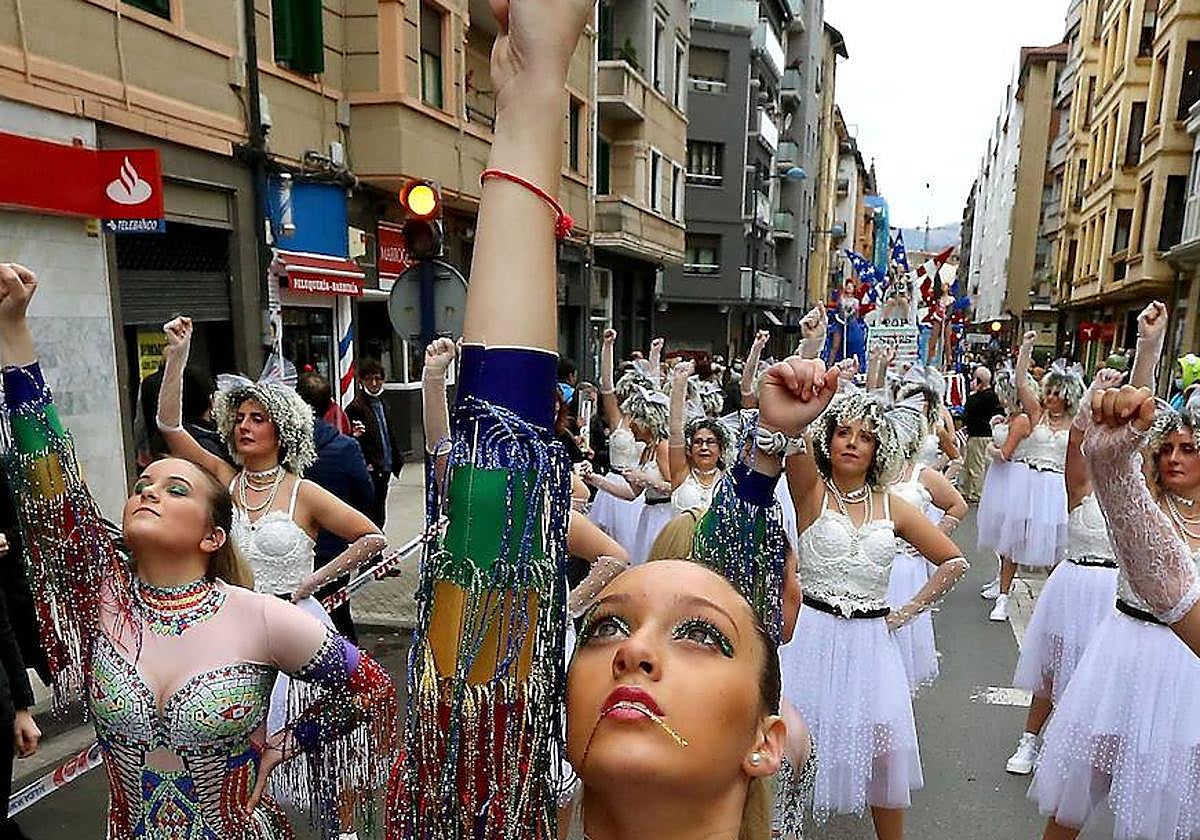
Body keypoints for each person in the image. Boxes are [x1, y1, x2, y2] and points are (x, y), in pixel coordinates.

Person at [0, 262, 396, 839]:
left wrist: (289, 742)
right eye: (143, 485)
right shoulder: (103, 598)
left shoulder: (261, 617)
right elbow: (49, 483)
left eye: (175, 489)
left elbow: (373, 691)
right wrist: (14, 332)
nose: (148, 491)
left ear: (214, 535)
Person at [1031, 305, 1200, 840]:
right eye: (1167, 448)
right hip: (1125, 654)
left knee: (1168, 803)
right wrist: (1148, 349)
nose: (1174, 457)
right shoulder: (1145, 504)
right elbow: (1129, 436)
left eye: (1189, 449)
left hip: (1186, 673)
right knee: (1077, 795)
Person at [781, 391, 969, 839]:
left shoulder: (893, 506)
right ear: (828, 441)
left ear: (878, 449)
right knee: (790, 748)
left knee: (883, 751)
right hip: (811, 638)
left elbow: (954, 562)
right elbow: (794, 439)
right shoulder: (810, 493)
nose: (852, 443)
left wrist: (905, 612)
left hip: (870, 643)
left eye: (865, 437)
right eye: (843, 433)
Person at [989, 333, 1079, 623]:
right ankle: (1003, 598)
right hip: (1030, 482)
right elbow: (1020, 383)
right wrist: (1026, 349)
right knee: (1014, 540)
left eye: (1056, 393)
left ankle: (1054, 604)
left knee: (1056, 546)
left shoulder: (1076, 424)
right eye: (1048, 391)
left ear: (1068, 396)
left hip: (1057, 487)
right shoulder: (1037, 414)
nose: (1050, 397)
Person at [296, 370, 376, 643]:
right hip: (332, 553)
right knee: (337, 618)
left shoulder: (279, 448)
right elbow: (366, 495)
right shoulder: (345, 447)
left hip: (294, 553)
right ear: (330, 404)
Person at [346, 359, 405, 527]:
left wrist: (395, 460)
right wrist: (366, 463)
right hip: (371, 468)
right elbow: (354, 439)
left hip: (385, 466)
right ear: (361, 381)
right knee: (370, 510)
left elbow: (388, 434)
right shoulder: (356, 407)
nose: (374, 383)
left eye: (378, 379)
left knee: (380, 508)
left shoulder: (383, 403)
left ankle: (379, 537)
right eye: (369, 379)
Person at [666, 360, 727, 515]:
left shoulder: (729, 479)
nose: (704, 447)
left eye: (710, 442)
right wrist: (680, 382)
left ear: (721, 449)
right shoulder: (681, 473)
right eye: (698, 442)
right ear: (690, 449)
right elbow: (675, 430)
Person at [960, 366, 1002, 502]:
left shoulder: (975, 399)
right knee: (974, 464)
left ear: (979, 381)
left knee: (976, 466)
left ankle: (977, 493)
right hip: (989, 435)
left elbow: (967, 412)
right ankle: (966, 490)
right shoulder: (995, 397)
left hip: (977, 435)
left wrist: (973, 393)